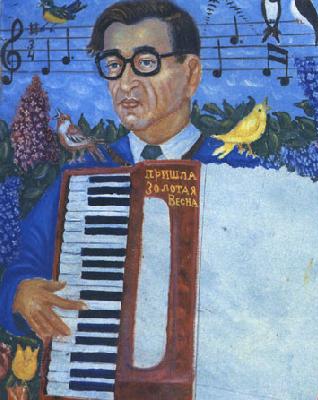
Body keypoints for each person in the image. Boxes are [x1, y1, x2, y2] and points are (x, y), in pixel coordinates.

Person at [0, 0, 262, 339]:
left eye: (146, 63)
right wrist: (20, 293)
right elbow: (20, 262)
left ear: (191, 74)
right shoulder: (87, 173)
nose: (125, 83)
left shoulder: (240, 171)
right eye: (114, 64)